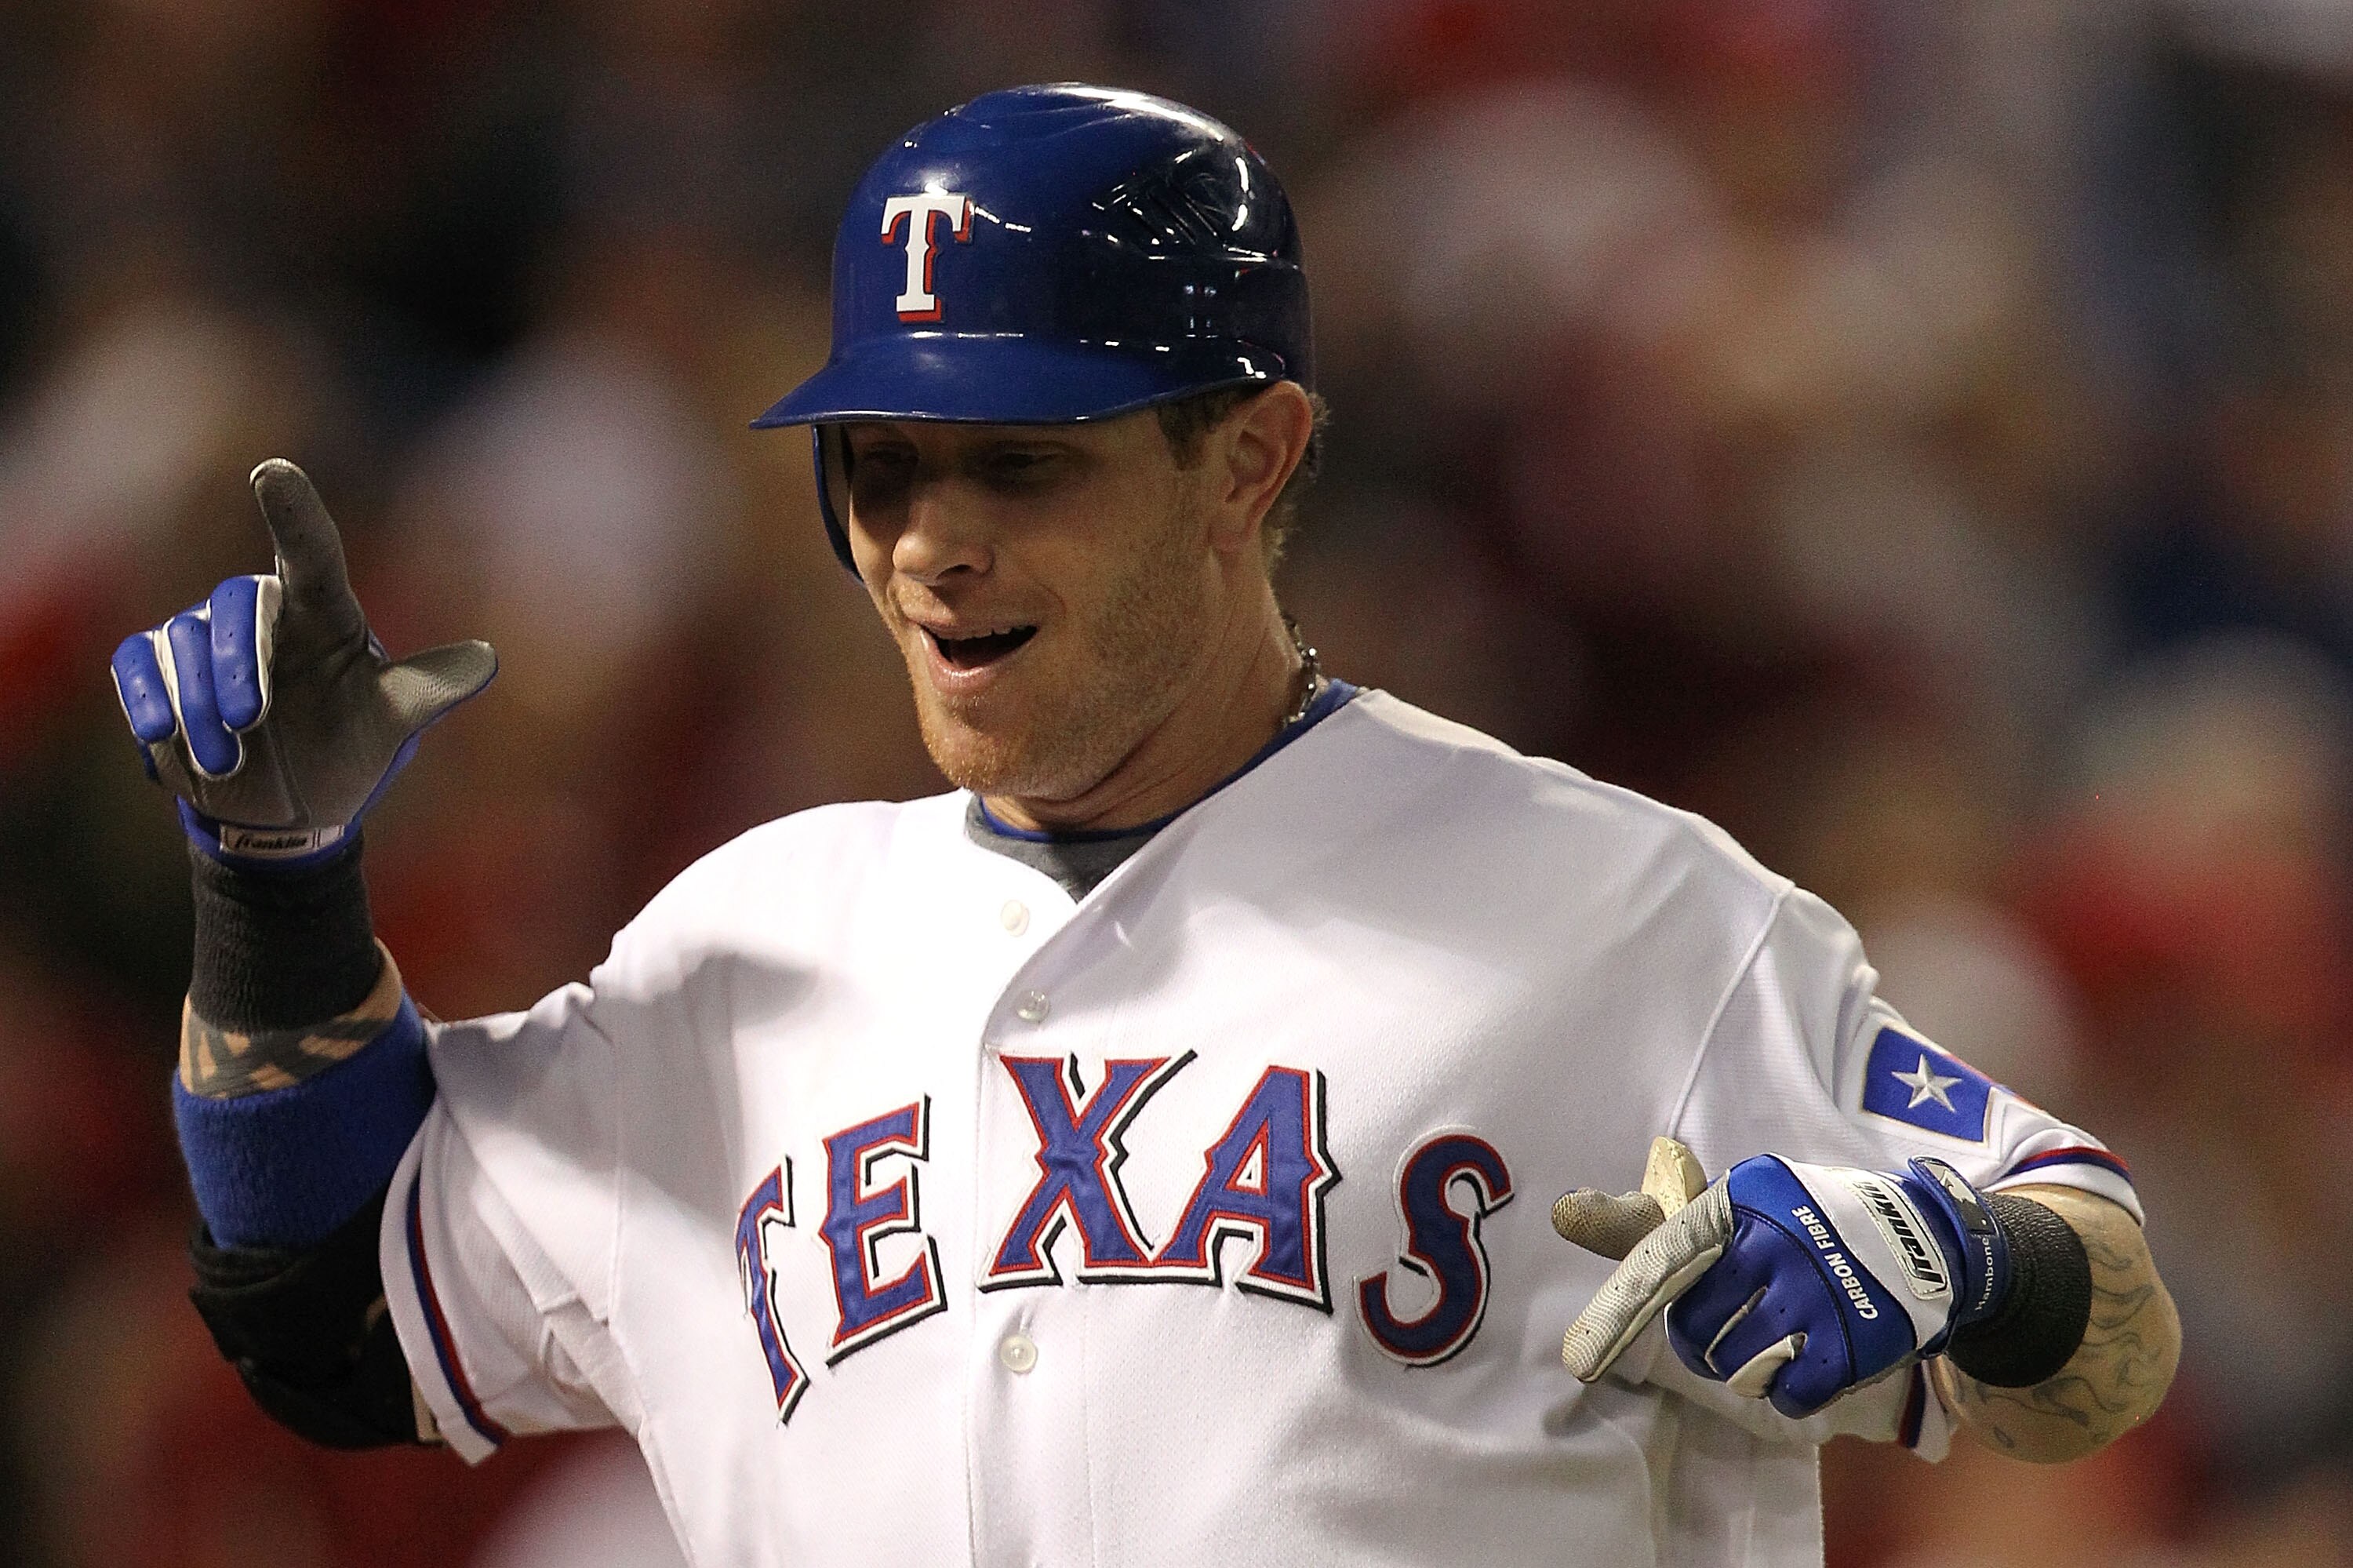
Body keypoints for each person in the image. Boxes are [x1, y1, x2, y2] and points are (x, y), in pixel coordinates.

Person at [109, 84, 2177, 1566]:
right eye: (883, 464)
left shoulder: (1620, 910)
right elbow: (331, 1313)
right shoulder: (732, 952)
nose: (930, 541)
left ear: (1248, 460)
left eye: (1020, 465)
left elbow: (2102, 1312)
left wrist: (1966, 1264)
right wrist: (274, 900)